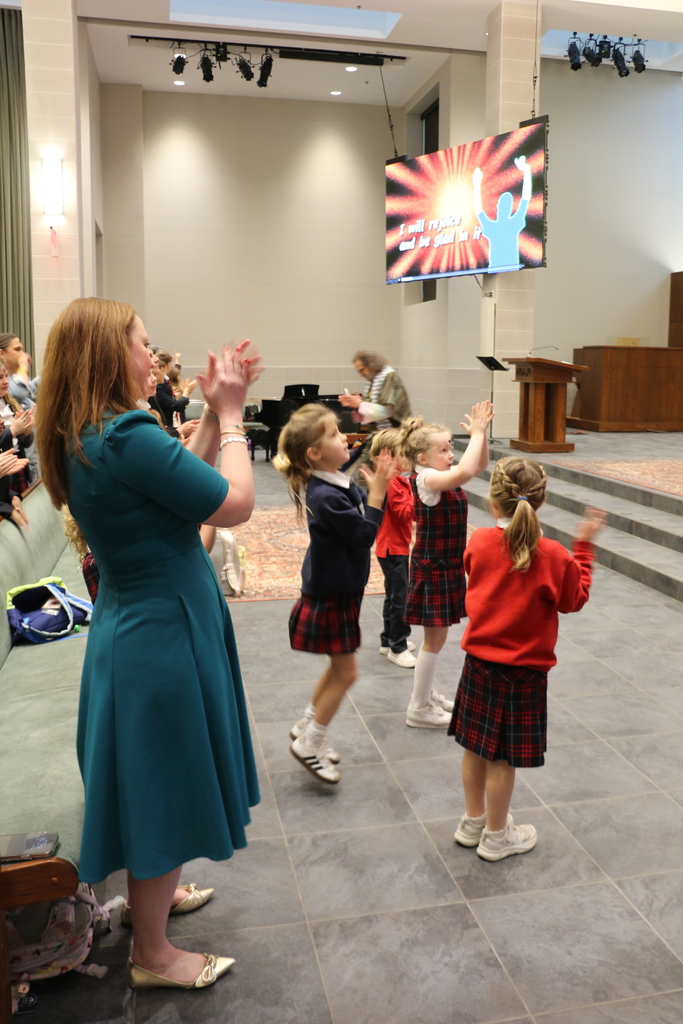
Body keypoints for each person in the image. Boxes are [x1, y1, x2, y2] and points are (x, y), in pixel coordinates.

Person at [36, 297, 261, 992]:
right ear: (110, 355)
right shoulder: (126, 434)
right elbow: (233, 503)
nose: (150, 355)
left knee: (156, 775)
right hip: (162, 629)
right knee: (162, 784)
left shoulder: (91, 432)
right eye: (142, 343)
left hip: (138, 621)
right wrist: (230, 421)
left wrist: (199, 426)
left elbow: (170, 485)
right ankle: (154, 955)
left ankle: (150, 905)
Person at [450, 456, 606, 860]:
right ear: (542, 501)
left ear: (494, 502)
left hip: (479, 665)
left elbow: (475, 575)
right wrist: (583, 550)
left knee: (474, 747)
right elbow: (574, 600)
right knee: (503, 758)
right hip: (523, 674)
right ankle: (498, 836)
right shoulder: (553, 555)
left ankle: (472, 822)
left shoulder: (479, 542)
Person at [274, 404, 398, 783]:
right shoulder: (325, 496)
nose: (343, 437)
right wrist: (377, 493)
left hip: (337, 591)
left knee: (337, 669)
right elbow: (363, 536)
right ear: (314, 453)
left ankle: (308, 725)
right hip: (331, 596)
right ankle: (311, 743)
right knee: (347, 673)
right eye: (333, 434)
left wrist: (375, 459)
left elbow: (350, 470)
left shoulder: (331, 480)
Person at [400, 401, 494, 728]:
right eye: (444, 449)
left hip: (447, 566)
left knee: (436, 641)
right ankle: (418, 707)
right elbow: (466, 471)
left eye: (451, 446)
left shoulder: (440, 474)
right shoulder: (426, 479)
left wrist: (478, 438)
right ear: (422, 458)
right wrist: (479, 433)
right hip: (433, 569)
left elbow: (477, 466)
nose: (450, 454)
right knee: (434, 641)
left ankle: (425, 696)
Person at [369, 428, 416, 668]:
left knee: (394, 595)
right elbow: (405, 513)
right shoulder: (394, 484)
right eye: (402, 453)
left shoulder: (397, 481)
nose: (407, 456)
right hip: (393, 549)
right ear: (388, 457)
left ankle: (388, 639)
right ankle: (398, 645)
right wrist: (417, 495)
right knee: (401, 598)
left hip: (393, 547)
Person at [338, 350, 410, 481]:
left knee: (381, 475)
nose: (361, 374)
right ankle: (370, 499)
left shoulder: (389, 377)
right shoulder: (373, 380)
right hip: (379, 435)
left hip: (394, 436)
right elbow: (371, 412)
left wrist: (360, 404)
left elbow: (387, 411)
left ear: (372, 364)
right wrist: (356, 405)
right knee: (366, 472)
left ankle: (376, 499)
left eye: (362, 370)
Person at [472, 155, 532, 271]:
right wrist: (476, 184)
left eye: (507, 204)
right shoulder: (502, 225)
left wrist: (526, 170)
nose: (505, 207)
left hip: (510, 270)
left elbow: (525, 198)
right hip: (498, 269)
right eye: (504, 204)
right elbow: (478, 210)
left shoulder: (511, 223)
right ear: (498, 206)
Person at [0, 359, 34, 495]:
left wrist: (26, 431)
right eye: (0, 378)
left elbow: (24, 444)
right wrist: (13, 431)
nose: (5, 381)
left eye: (6, 376)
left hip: (17, 460)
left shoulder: (10, 403)